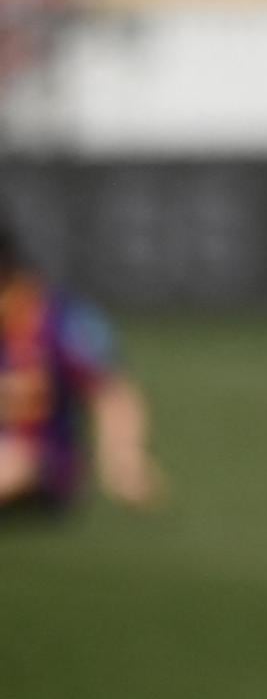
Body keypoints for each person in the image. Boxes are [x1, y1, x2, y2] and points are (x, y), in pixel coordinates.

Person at [0, 212, 163, 519]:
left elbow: (109, 391)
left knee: (13, 461)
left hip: (38, 463)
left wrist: (124, 460)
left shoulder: (54, 317)